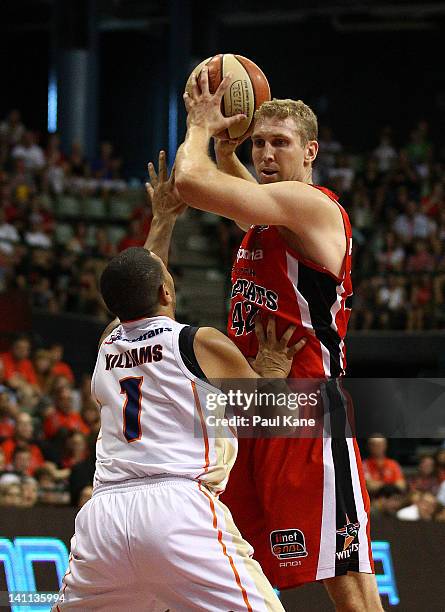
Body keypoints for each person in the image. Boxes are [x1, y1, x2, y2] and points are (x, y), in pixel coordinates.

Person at [54, 153, 306, 612]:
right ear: (167, 292)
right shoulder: (199, 342)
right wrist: (271, 369)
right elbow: (265, 414)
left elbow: (142, 279)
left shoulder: (107, 344)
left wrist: (163, 218)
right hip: (177, 507)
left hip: (104, 516)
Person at [173, 68, 383, 610]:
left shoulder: (310, 206)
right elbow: (236, 187)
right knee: (240, 575)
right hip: (253, 409)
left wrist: (199, 126)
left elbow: (190, 184)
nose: (267, 154)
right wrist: (226, 145)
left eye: (281, 144)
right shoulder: (266, 220)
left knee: (347, 578)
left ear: (310, 151)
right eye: (260, 143)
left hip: (308, 409)